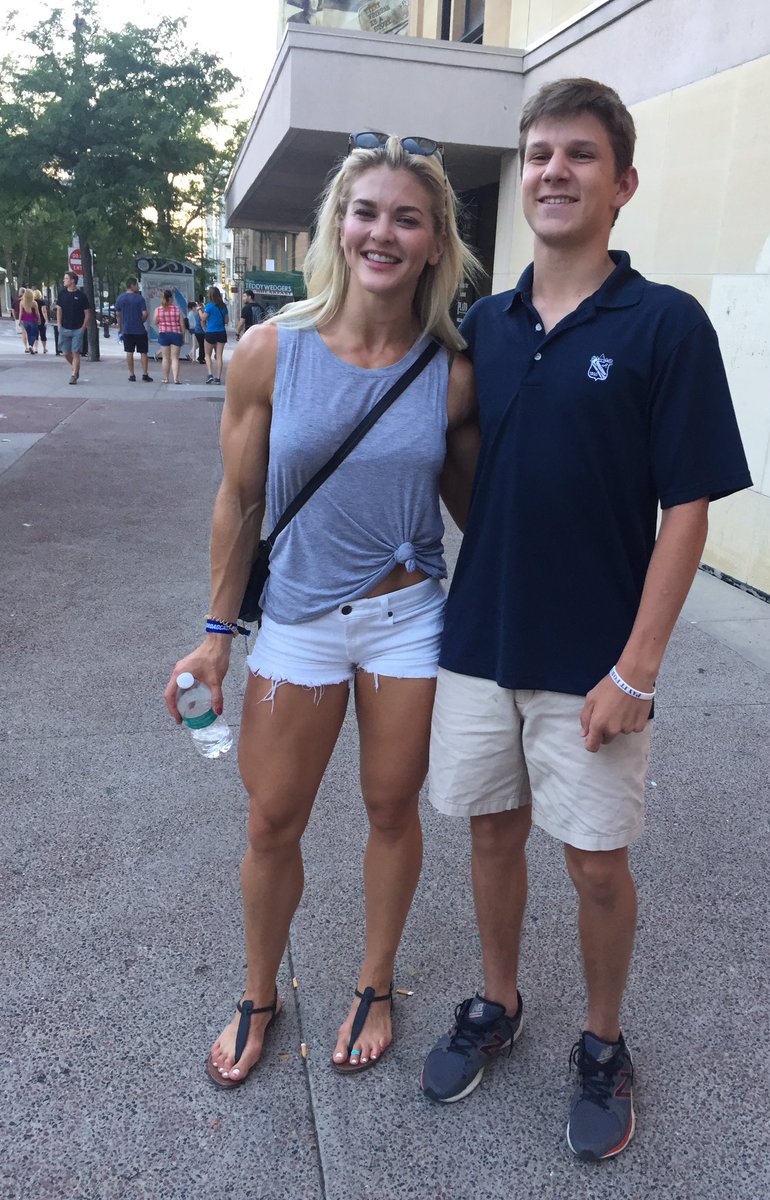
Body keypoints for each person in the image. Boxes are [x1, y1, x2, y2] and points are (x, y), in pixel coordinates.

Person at [419, 78, 753, 1162]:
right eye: (539, 154)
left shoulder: (664, 323)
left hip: (596, 660)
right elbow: (462, 460)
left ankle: (604, 1042)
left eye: (578, 154)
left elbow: (687, 507)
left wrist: (638, 670)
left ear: (624, 183)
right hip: (479, 641)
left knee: (598, 864)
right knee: (490, 835)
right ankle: (500, 1002)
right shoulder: (485, 323)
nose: (553, 170)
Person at [164, 132, 479, 1089]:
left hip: (407, 620)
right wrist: (218, 636)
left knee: (391, 807)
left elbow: (481, 512)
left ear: (434, 244)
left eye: (407, 218)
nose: (383, 232)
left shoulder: (450, 371)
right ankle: (261, 991)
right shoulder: (271, 351)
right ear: (339, 227)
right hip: (298, 619)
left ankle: (375, 982)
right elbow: (240, 501)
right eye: (367, 212)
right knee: (272, 821)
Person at [56, 271, 92, 384]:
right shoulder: (62, 294)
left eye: (66, 278)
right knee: (66, 352)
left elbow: (87, 313)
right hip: (64, 328)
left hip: (77, 329)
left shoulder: (81, 296)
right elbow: (59, 309)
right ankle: (75, 368)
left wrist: (83, 328)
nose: (64, 280)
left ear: (72, 281)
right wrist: (59, 324)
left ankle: (74, 375)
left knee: (75, 352)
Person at [115, 277, 152, 382]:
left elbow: (118, 315)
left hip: (127, 330)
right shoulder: (139, 299)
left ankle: (132, 374)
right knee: (143, 352)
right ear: (132, 285)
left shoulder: (120, 298)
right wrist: (141, 321)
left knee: (129, 352)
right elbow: (145, 313)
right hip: (139, 330)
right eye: (136, 285)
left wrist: (120, 328)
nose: (138, 287)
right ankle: (145, 374)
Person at [154, 288, 186, 384]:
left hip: (164, 334)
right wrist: (182, 336)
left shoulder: (158, 310)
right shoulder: (177, 309)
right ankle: (176, 378)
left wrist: (162, 324)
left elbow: (155, 322)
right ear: (171, 298)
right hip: (176, 334)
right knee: (175, 358)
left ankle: (165, 378)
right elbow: (182, 324)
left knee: (165, 358)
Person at [200, 285, 229, 384]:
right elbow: (226, 321)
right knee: (219, 356)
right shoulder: (223, 306)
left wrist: (200, 311)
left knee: (207, 355)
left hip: (210, 332)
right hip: (221, 332)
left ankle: (210, 374)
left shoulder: (209, 306)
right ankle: (218, 378)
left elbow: (203, 318)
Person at [19, 288, 41, 353]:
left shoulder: (22, 302)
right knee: (34, 334)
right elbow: (37, 312)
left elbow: (21, 312)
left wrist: (20, 320)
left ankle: (30, 346)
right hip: (33, 320)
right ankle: (31, 345)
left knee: (28, 334)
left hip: (25, 320)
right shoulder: (34, 303)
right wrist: (39, 319)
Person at [12, 287, 28, 353]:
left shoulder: (16, 300)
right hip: (28, 317)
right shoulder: (27, 299)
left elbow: (13, 309)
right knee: (29, 332)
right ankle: (31, 346)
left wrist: (14, 317)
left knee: (23, 333)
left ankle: (26, 347)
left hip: (19, 318)